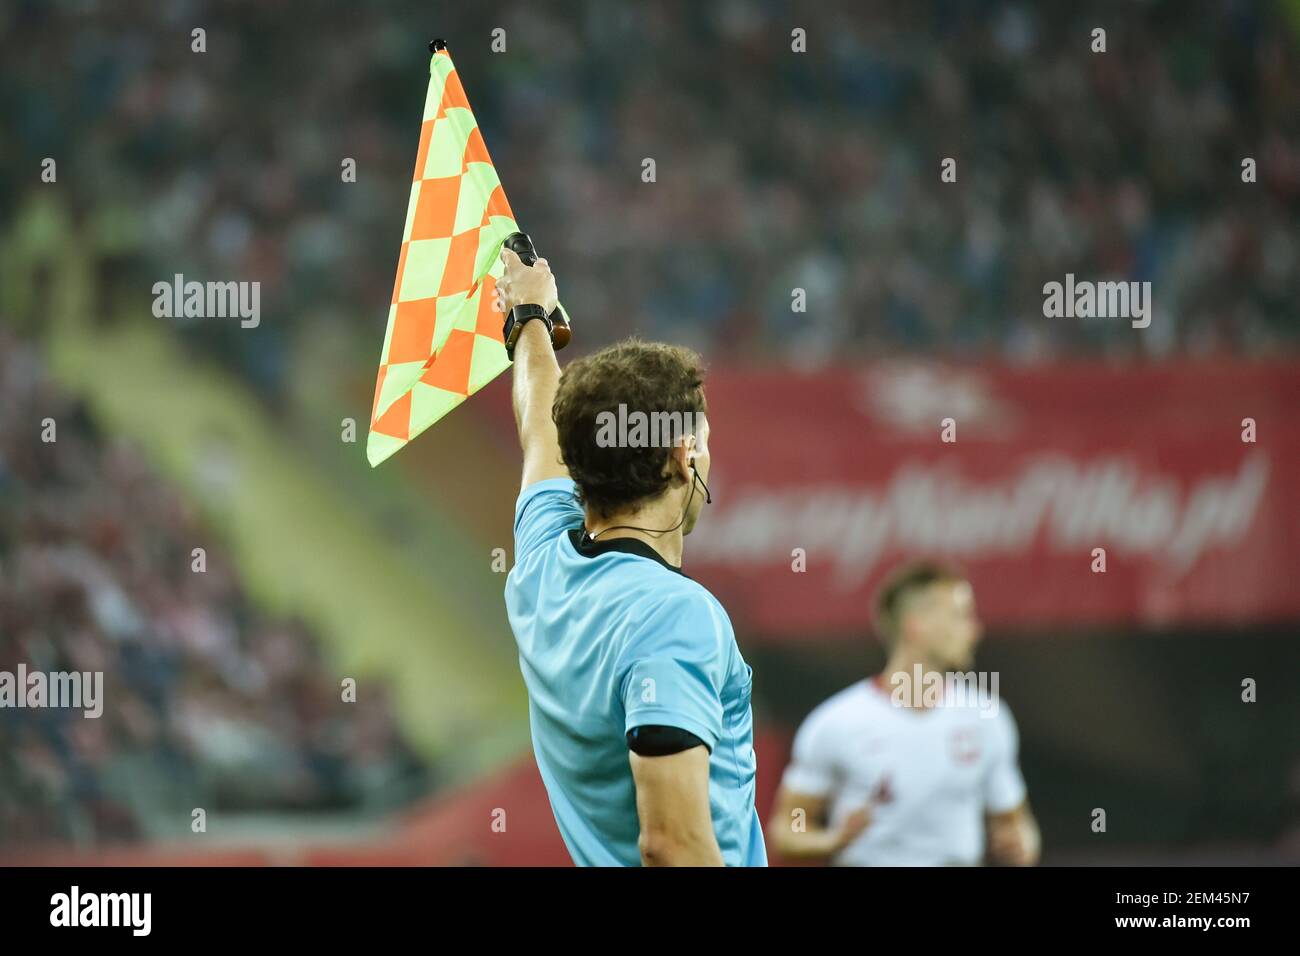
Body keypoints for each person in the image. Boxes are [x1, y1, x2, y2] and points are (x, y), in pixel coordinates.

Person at [498, 247, 766, 866]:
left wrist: (530, 318)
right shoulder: (674, 617)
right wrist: (530, 315)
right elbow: (671, 843)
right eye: (705, 443)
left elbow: (540, 423)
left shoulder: (543, 561)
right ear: (680, 457)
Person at [767, 562, 1039, 866]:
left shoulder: (987, 717)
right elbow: (786, 830)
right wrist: (832, 839)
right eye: (961, 616)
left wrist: (1021, 845)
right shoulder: (836, 722)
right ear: (916, 625)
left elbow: (1017, 825)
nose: (975, 630)